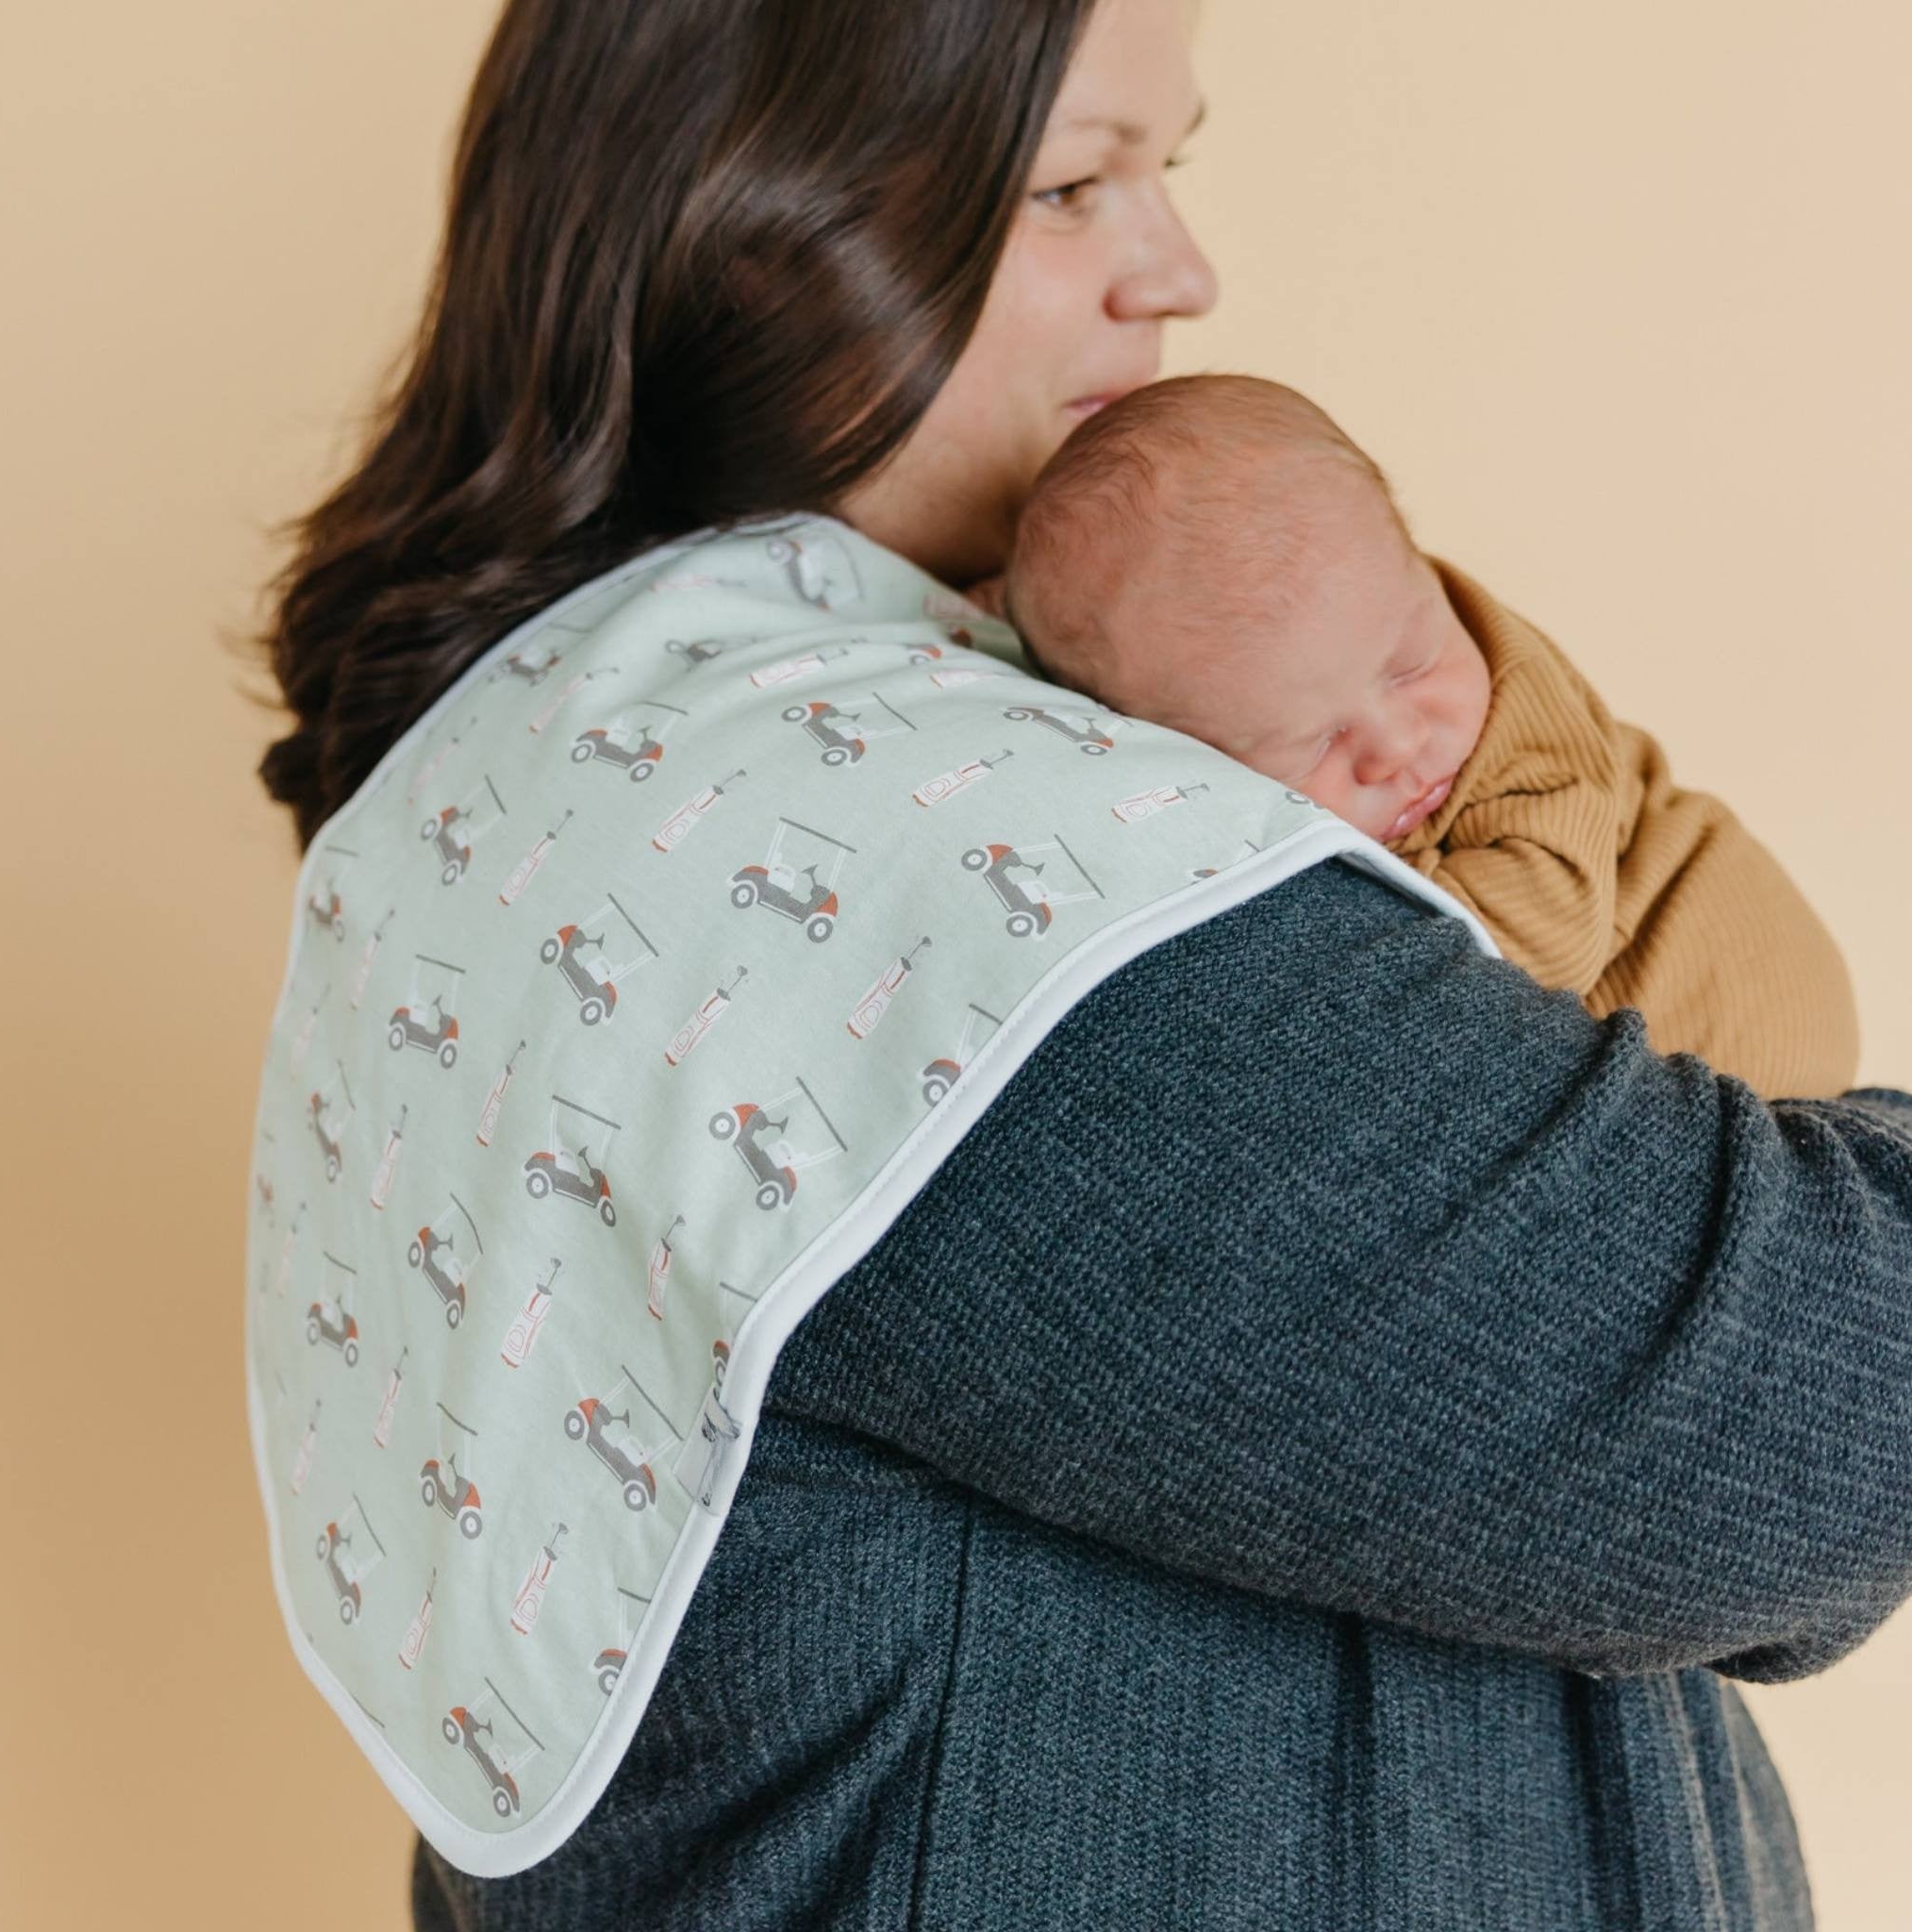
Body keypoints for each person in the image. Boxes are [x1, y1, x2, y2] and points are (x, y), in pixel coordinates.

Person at [243, 1, 1912, 1925]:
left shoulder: (564, 768)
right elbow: (1806, 1429)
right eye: (1071, 185)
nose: (1180, 274)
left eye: (1163, 170)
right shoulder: (909, 860)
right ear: (757, 213)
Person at [1006, 373, 1861, 1100]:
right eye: (1313, 741)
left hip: (1713, 981)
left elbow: (1546, 934)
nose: (1395, 742)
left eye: (1410, 664)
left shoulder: (1521, 709)